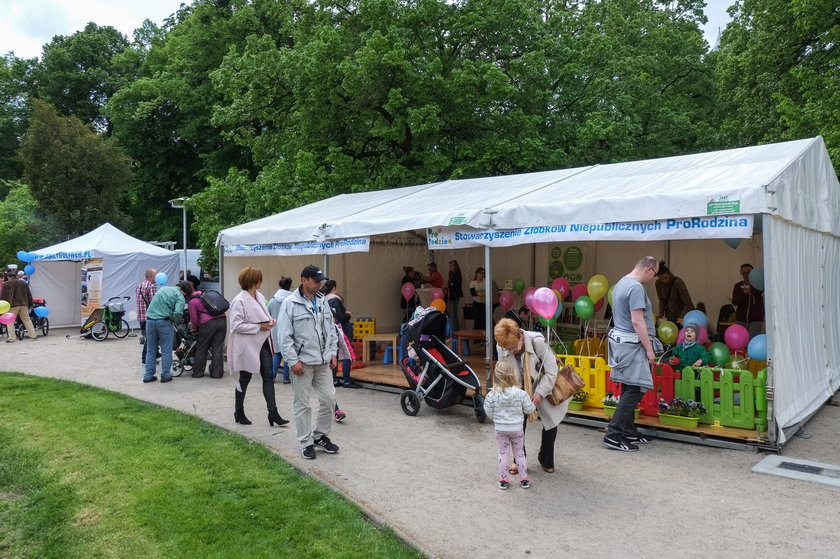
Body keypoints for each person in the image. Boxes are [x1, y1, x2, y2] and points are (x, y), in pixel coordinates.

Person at [278, 264, 339, 460]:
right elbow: (284, 336)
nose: (321, 283)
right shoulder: (290, 303)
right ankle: (305, 442)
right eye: (316, 280)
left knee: (329, 399)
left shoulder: (323, 302)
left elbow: (331, 329)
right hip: (302, 364)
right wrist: (292, 361)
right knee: (302, 404)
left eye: (321, 280)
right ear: (304, 280)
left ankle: (320, 436)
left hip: (323, 362)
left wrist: (332, 352)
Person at [603, 256, 661, 452]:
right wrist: (649, 348)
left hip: (622, 342)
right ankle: (614, 434)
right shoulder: (636, 288)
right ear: (649, 269)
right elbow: (637, 321)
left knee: (629, 387)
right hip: (633, 344)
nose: (654, 278)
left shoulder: (621, 283)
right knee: (635, 389)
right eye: (655, 273)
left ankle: (627, 430)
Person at [495, 317, 567, 473]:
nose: (511, 351)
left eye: (514, 346)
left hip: (544, 385)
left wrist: (539, 393)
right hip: (518, 387)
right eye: (508, 349)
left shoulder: (537, 341)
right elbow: (503, 372)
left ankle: (546, 459)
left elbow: (551, 370)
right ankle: (518, 459)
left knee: (550, 423)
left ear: (520, 335)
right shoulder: (502, 346)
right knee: (517, 424)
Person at [227, 267, 288, 426]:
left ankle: (273, 413)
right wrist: (259, 327)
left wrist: (269, 322)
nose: (261, 281)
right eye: (259, 279)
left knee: (268, 377)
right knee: (245, 379)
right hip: (248, 346)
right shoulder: (239, 300)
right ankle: (238, 411)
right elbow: (236, 325)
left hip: (263, 343)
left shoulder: (259, 296)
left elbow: (262, 317)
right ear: (254, 281)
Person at [483, 360, 536, 490]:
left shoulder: (492, 394)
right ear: (513, 375)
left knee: (503, 454)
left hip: (500, 429)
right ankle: (524, 479)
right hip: (517, 428)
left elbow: (488, 410)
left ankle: (503, 480)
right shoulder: (520, 393)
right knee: (519, 453)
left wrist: (496, 419)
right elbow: (530, 409)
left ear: (496, 375)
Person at [143, 281, 194, 383]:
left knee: (150, 350)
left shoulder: (163, 289)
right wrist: (177, 321)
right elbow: (178, 313)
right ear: (186, 292)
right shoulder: (180, 297)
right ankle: (166, 375)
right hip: (164, 322)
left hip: (149, 321)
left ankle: (148, 376)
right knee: (166, 350)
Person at [322, 279, 361, 388]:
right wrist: (348, 314)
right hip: (341, 329)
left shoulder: (323, 300)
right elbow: (341, 317)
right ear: (334, 288)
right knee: (346, 354)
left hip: (331, 329)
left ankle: (334, 380)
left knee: (334, 354)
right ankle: (347, 381)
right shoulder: (335, 300)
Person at [187, 288, 226, 379]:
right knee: (218, 348)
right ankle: (217, 374)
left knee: (202, 348)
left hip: (207, 323)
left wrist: (195, 328)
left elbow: (194, 320)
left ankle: (198, 373)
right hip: (222, 320)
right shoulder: (208, 296)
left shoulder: (193, 302)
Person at [268, 276, 294, 383]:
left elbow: (268, 314)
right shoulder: (292, 298)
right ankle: (286, 378)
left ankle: (272, 377)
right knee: (287, 353)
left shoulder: (273, 300)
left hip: (275, 329)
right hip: (288, 329)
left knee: (277, 353)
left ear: (279, 286)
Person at [731, 263, 765, 338]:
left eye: (748, 273)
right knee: (740, 342)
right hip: (741, 320)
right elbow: (735, 302)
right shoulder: (738, 285)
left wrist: (752, 290)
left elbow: (762, 298)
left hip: (756, 320)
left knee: (753, 341)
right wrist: (744, 293)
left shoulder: (760, 285)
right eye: (744, 273)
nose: (746, 275)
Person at [3, 274, 37, 342]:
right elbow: (29, 294)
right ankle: (33, 335)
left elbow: (3, 295)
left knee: (10, 321)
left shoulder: (6, 284)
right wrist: (30, 303)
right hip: (24, 303)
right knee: (27, 319)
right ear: (16, 276)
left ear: (9, 277)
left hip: (12, 304)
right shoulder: (23, 282)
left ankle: (12, 338)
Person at [135, 268, 158, 365]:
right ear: (151, 277)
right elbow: (155, 302)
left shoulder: (139, 286)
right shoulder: (151, 287)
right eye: (156, 275)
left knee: (148, 337)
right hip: (149, 317)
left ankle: (156, 355)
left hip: (141, 316)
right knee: (150, 339)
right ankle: (145, 359)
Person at [446, 260, 463, 331]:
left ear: (455, 266)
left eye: (451, 266)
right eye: (449, 266)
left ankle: (455, 329)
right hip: (451, 295)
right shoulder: (451, 274)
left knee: (453, 313)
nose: (450, 267)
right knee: (451, 312)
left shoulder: (457, 275)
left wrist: (450, 286)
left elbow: (456, 285)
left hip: (455, 295)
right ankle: (453, 328)